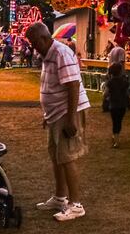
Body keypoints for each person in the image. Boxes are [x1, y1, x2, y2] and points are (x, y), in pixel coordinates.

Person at [28, 21, 91, 221]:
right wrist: (48, 115)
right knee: (57, 156)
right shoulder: (48, 54)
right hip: (56, 114)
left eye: (35, 42)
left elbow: (72, 85)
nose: (33, 47)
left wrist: (70, 119)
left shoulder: (61, 53)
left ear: (45, 38)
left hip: (66, 113)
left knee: (67, 156)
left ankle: (76, 204)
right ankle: (60, 197)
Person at [103, 45, 130, 148]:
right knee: (119, 122)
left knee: (115, 121)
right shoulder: (125, 82)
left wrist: (107, 97)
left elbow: (105, 93)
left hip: (113, 105)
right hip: (122, 106)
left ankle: (116, 138)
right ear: (121, 71)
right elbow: (126, 93)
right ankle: (116, 135)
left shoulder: (110, 82)